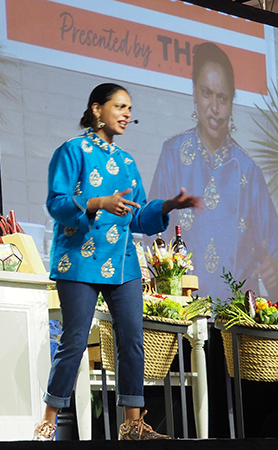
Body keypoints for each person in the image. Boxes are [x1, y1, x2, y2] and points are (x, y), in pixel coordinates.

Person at [33, 83, 201, 441]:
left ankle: (132, 424)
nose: (126, 114)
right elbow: (56, 203)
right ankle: (48, 419)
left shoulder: (127, 163)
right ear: (97, 109)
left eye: (129, 108)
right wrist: (98, 203)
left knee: (133, 339)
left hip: (122, 264)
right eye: (119, 106)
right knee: (75, 339)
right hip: (79, 262)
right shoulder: (72, 151)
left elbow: (139, 217)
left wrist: (167, 206)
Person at [148, 41, 278, 303]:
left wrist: (276, 273)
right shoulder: (173, 154)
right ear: (194, 93)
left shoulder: (248, 171)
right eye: (206, 93)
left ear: (232, 100)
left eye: (222, 97)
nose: (215, 108)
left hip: (238, 317)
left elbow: (277, 251)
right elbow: (153, 235)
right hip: (182, 312)